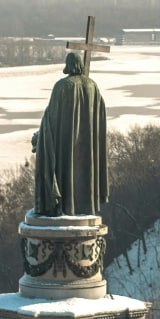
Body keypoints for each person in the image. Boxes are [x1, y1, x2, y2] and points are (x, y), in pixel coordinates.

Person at [32, 52, 108, 217]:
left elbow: (50, 118)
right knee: (85, 171)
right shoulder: (93, 86)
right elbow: (100, 113)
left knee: (66, 170)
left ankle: (65, 207)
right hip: (87, 145)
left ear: (68, 65)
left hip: (65, 144)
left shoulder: (62, 86)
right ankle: (85, 206)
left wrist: (40, 137)